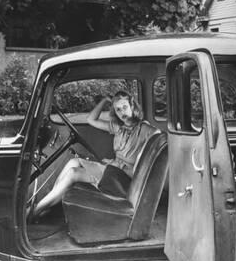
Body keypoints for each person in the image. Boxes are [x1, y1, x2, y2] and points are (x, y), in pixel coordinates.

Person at [30, 90, 160, 219]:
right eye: (118, 109)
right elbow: (91, 119)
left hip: (124, 179)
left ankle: (35, 211)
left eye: (125, 107)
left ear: (133, 106)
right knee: (73, 162)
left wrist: (131, 162)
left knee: (73, 173)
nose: (122, 113)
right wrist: (104, 101)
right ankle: (50, 203)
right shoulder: (118, 127)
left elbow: (158, 139)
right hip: (113, 171)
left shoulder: (146, 129)